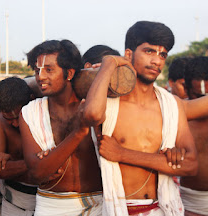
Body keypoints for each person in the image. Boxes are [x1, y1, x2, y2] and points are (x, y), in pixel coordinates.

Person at [84, 21, 198, 215]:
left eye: (162, 55)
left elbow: (191, 165)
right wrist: (109, 64)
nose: (157, 61)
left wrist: (121, 154)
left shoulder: (171, 105)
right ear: (128, 54)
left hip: (160, 208)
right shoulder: (110, 103)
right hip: (117, 208)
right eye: (149, 51)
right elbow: (92, 115)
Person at [19, 40, 103, 215]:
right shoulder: (30, 113)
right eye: (37, 71)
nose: (40, 77)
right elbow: (36, 173)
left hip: (98, 205)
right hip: (51, 205)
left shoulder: (95, 108)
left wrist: (106, 72)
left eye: (49, 70)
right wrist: (79, 133)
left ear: (69, 73)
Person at [0, 77, 38, 216]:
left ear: (32, 100)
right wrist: (38, 163)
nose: (15, 124)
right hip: (14, 204)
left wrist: (13, 162)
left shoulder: (44, 114)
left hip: (46, 202)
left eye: (19, 117)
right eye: (9, 119)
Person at [179, 56, 208, 216]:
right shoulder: (176, 116)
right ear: (185, 89)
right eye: (200, 98)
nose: (206, 105)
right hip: (187, 205)